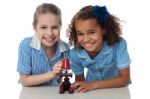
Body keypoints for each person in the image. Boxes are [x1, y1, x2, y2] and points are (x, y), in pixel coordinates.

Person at [67, 5, 131, 93]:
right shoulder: (74, 54)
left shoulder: (119, 45)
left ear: (103, 30)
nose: (86, 39)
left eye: (91, 32)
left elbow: (124, 79)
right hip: (92, 92)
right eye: (81, 34)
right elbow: (80, 81)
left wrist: (93, 84)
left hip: (117, 89)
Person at [17, 3, 69, 86]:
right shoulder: (26, 45)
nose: (49, 33)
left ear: (60, 27)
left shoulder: (65, 48)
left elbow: (61, 78)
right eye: (43, 27)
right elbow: (24, 80)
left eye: (55, 27)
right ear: (35, 27)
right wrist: (52, 73)